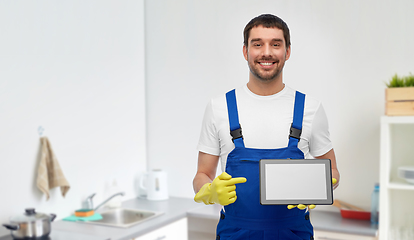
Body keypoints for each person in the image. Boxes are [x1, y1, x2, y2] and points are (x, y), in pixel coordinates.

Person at [192, 14, 340, 240]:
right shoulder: (219, 107)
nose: (266, 52)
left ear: (287, 51)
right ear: (245, 51)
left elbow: (333, 171)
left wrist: (324, 187)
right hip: (235, 233)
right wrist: (209, 192)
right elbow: (202, 174)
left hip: (294, 233)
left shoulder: (310, 108)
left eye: (276, 44)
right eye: (257, 44)